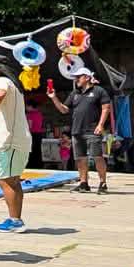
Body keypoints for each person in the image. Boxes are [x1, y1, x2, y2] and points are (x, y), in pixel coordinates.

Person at [0, 56, 32, 232]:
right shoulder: (14, 86)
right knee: (13, 180)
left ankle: (15, 221)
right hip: (17, 140)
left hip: (8, 140)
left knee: (4, 180)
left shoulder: (1, 81)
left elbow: (0, 94)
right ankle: (16, 219)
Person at [46, 63, 112, 194]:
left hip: (93, 130)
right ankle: (83, 183)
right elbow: (64, 109)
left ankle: (103, 183)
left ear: (87, 77)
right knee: (80, 158)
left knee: (97, 156)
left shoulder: (99, 91)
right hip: (77, 130)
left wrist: (100, 125)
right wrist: (53, 98)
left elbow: (106, 108)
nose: (76, 80)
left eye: (78, 77)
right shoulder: (75, 93)